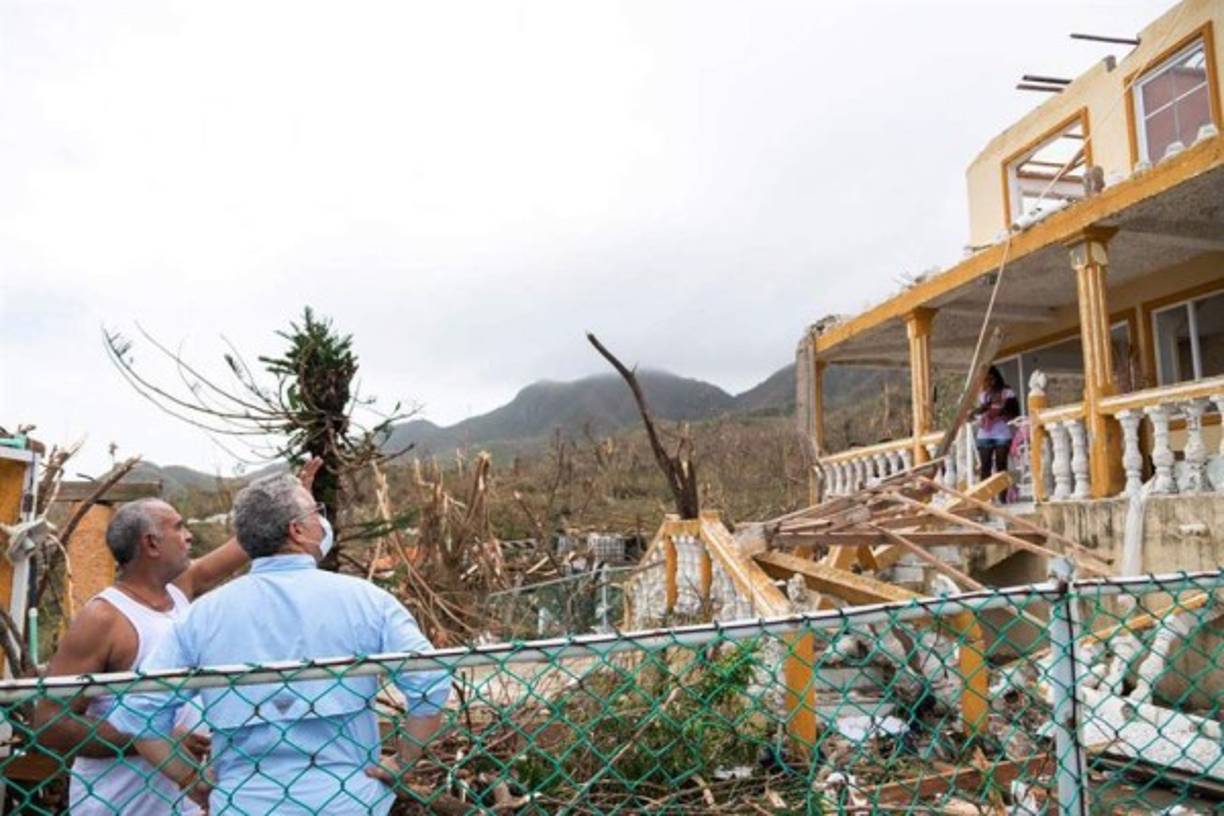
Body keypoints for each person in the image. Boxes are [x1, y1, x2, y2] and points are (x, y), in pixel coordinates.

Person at [109, 473, 451, 814]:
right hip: (347, 801)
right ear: (297, 530)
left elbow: (140, 709)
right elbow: (430, 680)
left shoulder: (203, 616)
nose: (322, 521)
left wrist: (189, 780)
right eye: (316, 513)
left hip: (244, 802)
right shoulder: (367, 601)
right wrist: (403, 760)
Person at [34, 459, 321, 815]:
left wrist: (295, 511)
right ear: (152, 543)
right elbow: (49, 723)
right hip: (117, 805)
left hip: (183, 801)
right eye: (179, 527)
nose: (189, 536)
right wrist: (151, 737)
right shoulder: (104, 618)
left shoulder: (180, 591)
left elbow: (248, 544)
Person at [973, 366, 1020, 495]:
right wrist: (979, 415)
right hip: (985, 433)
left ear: (995, 377)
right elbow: (979, 411)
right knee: (985, 467)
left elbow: (1015, 411)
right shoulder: (983, 393)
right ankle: (985, 497)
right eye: (985, 379)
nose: (988, 382)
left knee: (1001, 466)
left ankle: (1003, 496)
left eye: (990, 378)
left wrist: (999, 412)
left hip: (1001, 432)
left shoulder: (1006, 391)